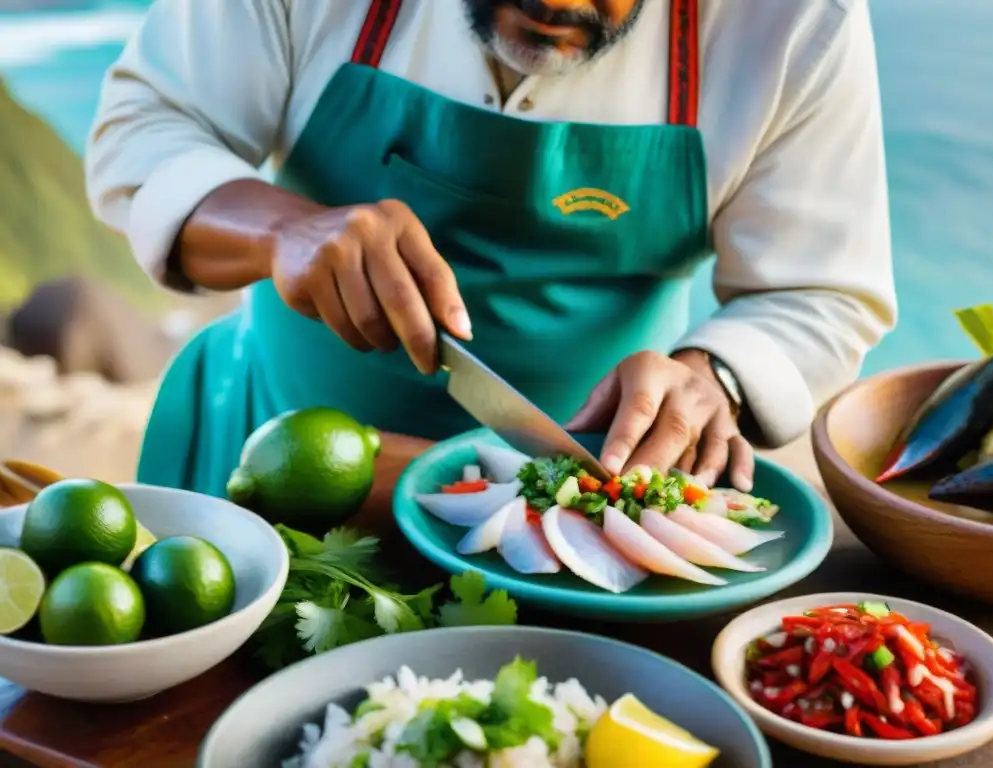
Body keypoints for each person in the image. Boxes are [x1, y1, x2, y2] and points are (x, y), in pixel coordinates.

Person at [86, 0, 896, 500]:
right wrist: (282, 229)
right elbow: (143, 132)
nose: (557, 1)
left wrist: (707, 375)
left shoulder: (796, 21)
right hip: (273, 465)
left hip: (574, 517)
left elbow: (824, 290)